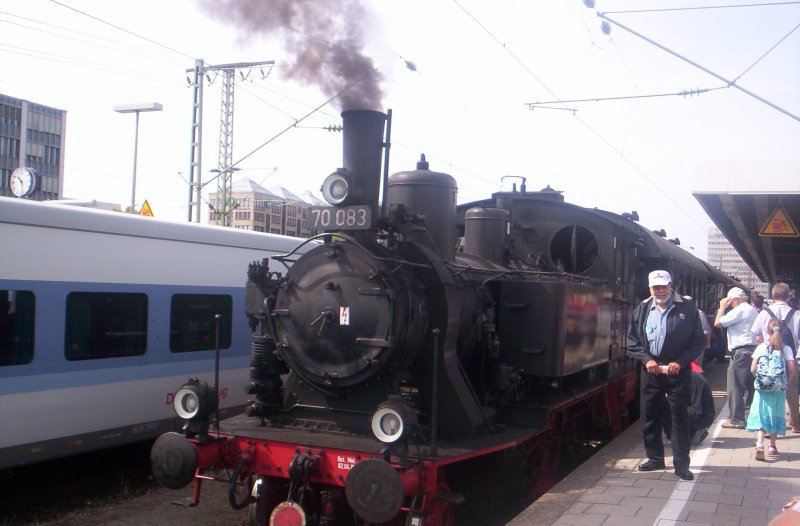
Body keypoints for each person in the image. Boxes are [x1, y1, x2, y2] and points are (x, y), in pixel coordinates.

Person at [627, 270, 705, 481]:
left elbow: (697, 341)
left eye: (663, 286)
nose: (660, 291)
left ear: (671, 285)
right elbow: (632, 341)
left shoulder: (687, 308)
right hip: (651, 371)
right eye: (655, 287)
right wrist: (647, 359)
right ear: (650, 288)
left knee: (678, 418)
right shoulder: (642, 309)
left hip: (677, 371)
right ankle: (655, 458)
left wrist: (680, 362)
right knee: (650, 416)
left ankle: (681, 465)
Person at [751, 282, 800, 433]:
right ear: (788, 296)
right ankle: (795, 422)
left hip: (767, 356)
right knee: (791, 388)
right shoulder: (796, 313)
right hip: (789, 354)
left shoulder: (764, 313)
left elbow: (755, 334)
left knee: (767, 388)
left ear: (772, 296)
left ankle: (766, 424)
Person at [746, 319, 795, 460]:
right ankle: (772, 446)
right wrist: (785, 382)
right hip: (779, 388)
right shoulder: (786, 349)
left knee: (762, 414)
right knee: (775, 414)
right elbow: (791, 369)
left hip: (762, 388)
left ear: (767, 331)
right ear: (783, 332)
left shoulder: (761, 347)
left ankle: (760, 444)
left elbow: (753, 368)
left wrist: (760, 380)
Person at [715, 287, 758, 429]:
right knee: (752, 386)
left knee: (735, 385)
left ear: (735, 300)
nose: (729, 304)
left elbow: (718, 323)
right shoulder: (751, 309)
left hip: (741, 352)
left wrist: (722, 308)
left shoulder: (740, 309)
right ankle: (753, 416)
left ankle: (736, 419)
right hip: (752, 350)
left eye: (730, 301)